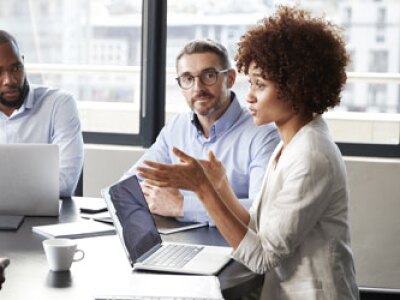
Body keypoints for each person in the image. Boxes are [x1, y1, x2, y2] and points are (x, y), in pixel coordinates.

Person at [138, 6, 359, 300]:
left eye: (260, 85)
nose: (250, 95)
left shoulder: (311, 156)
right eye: (251, 83)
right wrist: (221, 188)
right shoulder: (291, 143)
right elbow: (258, 225)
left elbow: (262, 258)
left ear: (297, 88)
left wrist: (203, 190)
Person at [122, 38, 279, 224]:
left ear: (229, 79)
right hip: (178, 241)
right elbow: (129, 185)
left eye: (209, 75)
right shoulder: (176, 127)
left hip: (234, 248)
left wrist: (181, 206)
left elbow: (259, 212)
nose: (198, 88)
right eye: (188, 78)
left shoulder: (263, 134)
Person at [0, 30, 83, 197]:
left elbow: (64, 182)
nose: (9, 80)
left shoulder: (59, 104)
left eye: (16, 68)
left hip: (44, 218)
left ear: (23, 63)